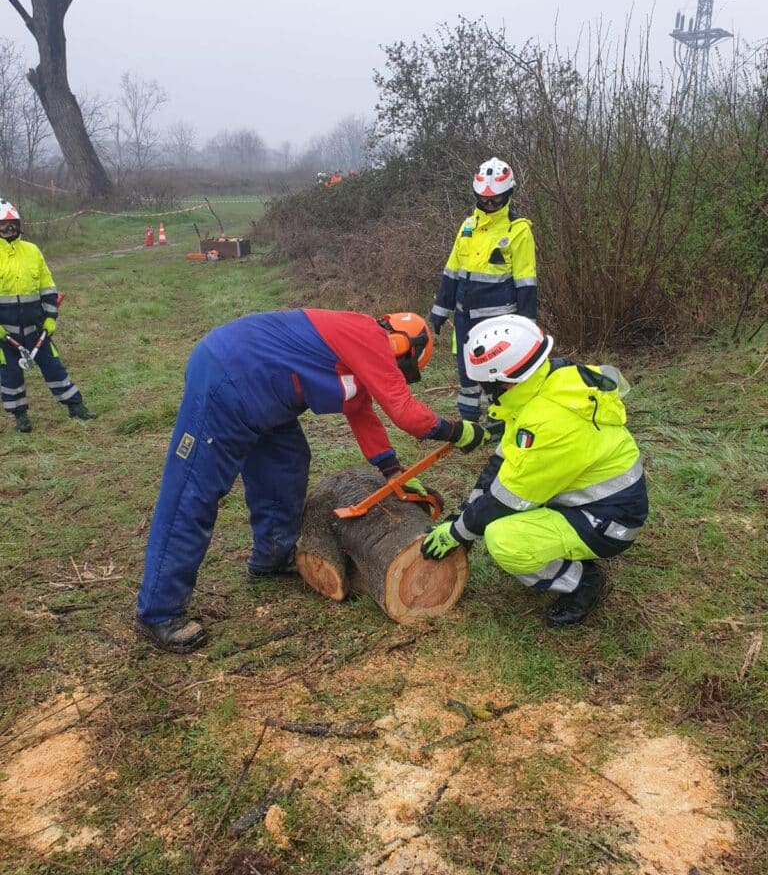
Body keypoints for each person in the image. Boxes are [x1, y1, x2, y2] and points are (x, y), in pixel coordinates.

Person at [135, 309, 489, 653]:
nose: (394, 374)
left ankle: (272, 558)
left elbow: (362, 415)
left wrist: (393, 471)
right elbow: (407, 415)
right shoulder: (370, 338)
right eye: (401, 370)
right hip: (228, 374)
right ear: (402, 348)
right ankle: (160, 611)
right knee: (192, 492)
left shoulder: (359, 351)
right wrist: (457, 431)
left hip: (267, 392)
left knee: (286, 463)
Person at [421, 315, 648, 627]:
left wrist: (459, 532)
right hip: (586, 499)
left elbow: (509, 498)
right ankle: (568, 552)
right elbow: (503, 463)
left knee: (503, 538)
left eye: (487, 384)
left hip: (608, 520)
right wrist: (464, 513)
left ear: (504, 380)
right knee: (492, 516)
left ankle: (582, 582)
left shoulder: (549, 421)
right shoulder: (543, 384)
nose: (486, 392)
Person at [429, 157, 537, 426]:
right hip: (466, 317)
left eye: (495, 200)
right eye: (483, 199)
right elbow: (452, 270)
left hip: (500, 320)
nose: (489, 204)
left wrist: (527, 325)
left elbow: (526, 281)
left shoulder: (518, 230)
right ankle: (468, 423)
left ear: (507, 195)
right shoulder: (468, 226)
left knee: (498, 373)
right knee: (467, 373)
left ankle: (500, 424)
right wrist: (440, 311)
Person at [0, 199, 97, 433]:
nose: (8, 229)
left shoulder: (32, 251)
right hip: (5, 333)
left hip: (36, 328)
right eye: (3, 225)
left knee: (54, 367)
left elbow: (47, 287)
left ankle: (76, 406)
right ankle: (20, 416)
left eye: (12, 224)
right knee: (11, 376)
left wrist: (51, 318)